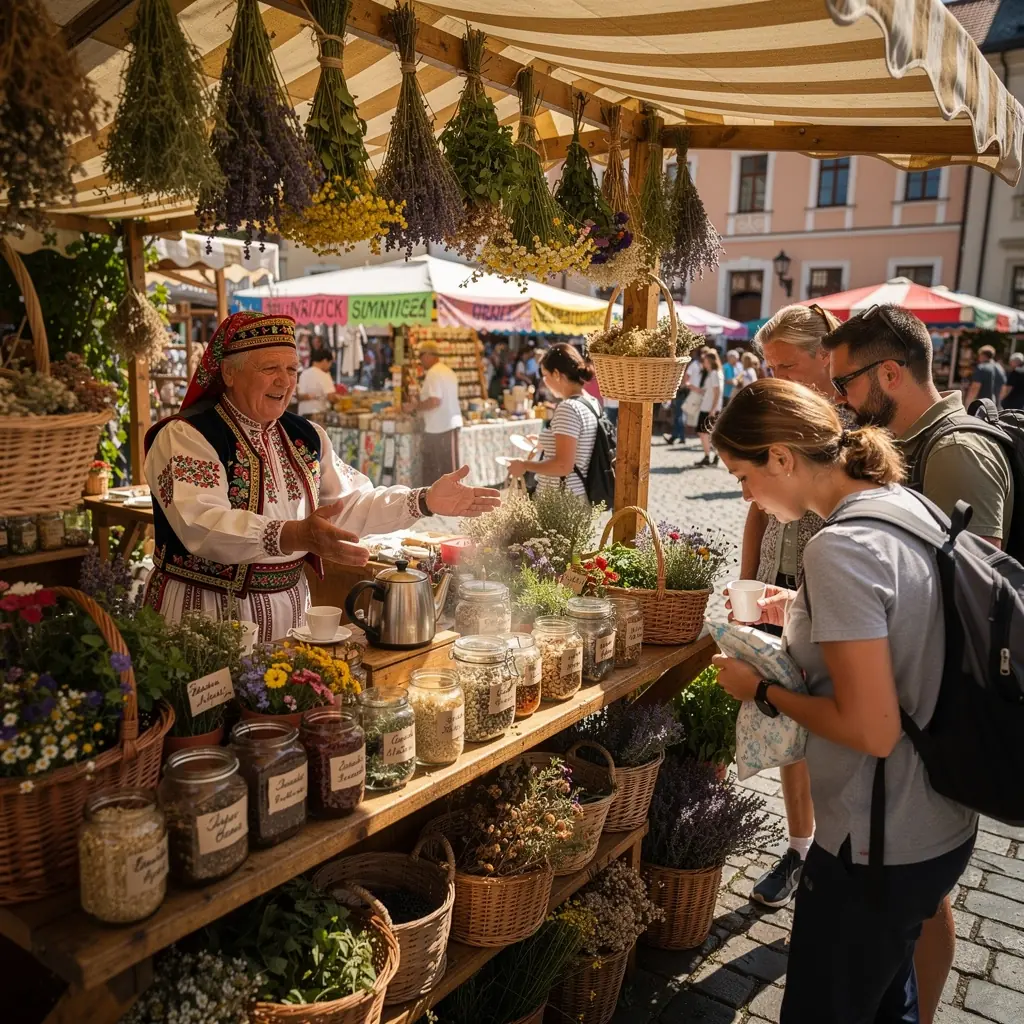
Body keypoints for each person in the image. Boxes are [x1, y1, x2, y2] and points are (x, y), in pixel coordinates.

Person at [711, 378, 977, 1024]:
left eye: (743, 475)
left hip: (875, 845)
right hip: (941, 821)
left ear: (781, 457)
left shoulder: (836, 548)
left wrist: (762, 690)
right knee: (889, 1004)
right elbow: (903, 627)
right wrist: (800, 609)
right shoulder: (897, 503)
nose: (744, 494)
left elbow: (872, 728)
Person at [822, 303, 1013, 1022]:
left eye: (845, 382)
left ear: (890, 373)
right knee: (922, 899)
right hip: (911, 707)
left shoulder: (955, 449)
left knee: (930, 896)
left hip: (948, 712)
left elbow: (978, 597)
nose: (839, 399)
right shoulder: (914, 441)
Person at [143, 312, 499, 641]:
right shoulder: (187, 436)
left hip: (293, 610)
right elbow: (201, 525)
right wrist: (295, 533)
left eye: (292, 369)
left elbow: (350, 504)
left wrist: (423, 500)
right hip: (205, 613)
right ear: (229, 373)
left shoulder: (306, 436)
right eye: (270, 368)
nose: (284, 381)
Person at [738, 303, 842, 911]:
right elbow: (756, 502)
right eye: (767, 365)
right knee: (786, 727)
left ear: (825, 356)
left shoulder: (848, 429)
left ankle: (833, 850)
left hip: (826, 591)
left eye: (784, 365)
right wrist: (749, 580)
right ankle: (800, 847)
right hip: (775, 579)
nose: (773, 377)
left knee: (822, 718)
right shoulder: (781, 416)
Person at [508, 343, 598, 499]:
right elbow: (579, 444)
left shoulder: (568, 408)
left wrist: (524, 465)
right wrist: (544, 441)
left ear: (556, 374)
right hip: (578, 495)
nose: (544, 381)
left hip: (562, 500)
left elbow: (563, 465)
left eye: (545, 375)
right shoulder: (591, 402)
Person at [408, 340, 464, 487]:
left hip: (440, 427)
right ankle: (448, 501)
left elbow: (434, 401)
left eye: (421, 356)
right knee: (447, 468)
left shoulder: (434, 373)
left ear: (428, 355)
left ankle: (448, 502)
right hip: (446, 424)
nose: (420, 360)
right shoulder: (447, 371)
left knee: (441, 470)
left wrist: (415, 407)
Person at [665, 350, 704, 444]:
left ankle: (678, 436)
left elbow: (685, 380)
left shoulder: (692, 365)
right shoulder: (698, 365)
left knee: (679, 415)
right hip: (691, 393)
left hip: (684, 393)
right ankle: (679, 436)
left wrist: (682, 386)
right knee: (681, 415)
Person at [695, 348, 723, 466]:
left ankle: (708, 456)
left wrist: (713, 409)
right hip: (710, 407)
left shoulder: (714, 374)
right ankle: (714, 456)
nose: (704, 363)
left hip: (709, 408)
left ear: (710, 361)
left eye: (705, 361)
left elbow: (717, 392)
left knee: (703, 433)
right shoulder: (716, 373)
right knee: (709, 433)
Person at [296, 346, 335, 417]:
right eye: (330, 363)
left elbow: (299, 395)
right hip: (317, 414)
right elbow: (331, 397)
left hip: (302, 414)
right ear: (325, 361)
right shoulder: (324, 375)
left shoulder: (303, 374)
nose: (330, 366)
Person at [965, 344, 1007, 408]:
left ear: (982, 355)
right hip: (996, 407)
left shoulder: (981, 368)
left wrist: (967, 404)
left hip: (982, 406)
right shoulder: (1000, 369)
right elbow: (1004, 389)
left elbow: (975, 388)